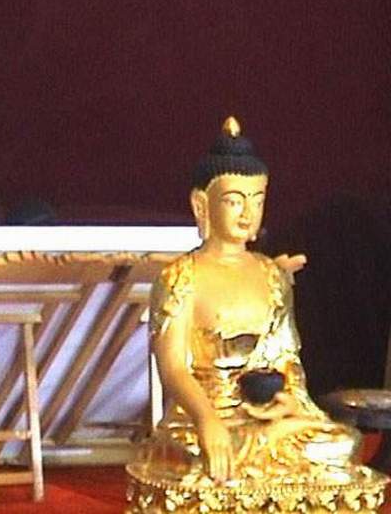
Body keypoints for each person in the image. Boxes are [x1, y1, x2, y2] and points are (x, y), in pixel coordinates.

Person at [126, 118, 387, 512]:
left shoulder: (270, 274)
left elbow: (286, 358)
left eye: (258, 200)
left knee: (339, 444)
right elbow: (173, 368)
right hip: (202, 418)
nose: (248, 213)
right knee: (202, 458)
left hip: (264, 419)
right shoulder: (180, 277)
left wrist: (289, 400)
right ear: (201, 205)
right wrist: (207, 419)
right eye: (234, 200)